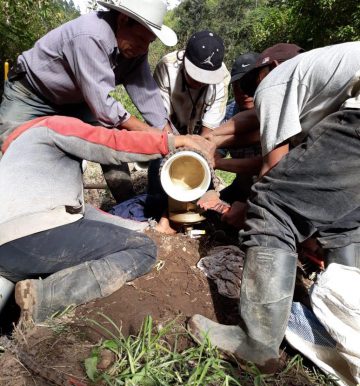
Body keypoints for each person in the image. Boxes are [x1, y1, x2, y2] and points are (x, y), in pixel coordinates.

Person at [189, 41, 360, 373]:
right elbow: (254, 129)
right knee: (345, 223)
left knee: (272, 205)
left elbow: (272, 172)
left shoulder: (275, 82)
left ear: (263, 71)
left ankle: (257, 342)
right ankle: (343, 325)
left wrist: (250, 212)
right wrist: (215, 148)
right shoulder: (315, 81)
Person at [0, 115, 215, 323]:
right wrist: (174, 141)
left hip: (10, 251)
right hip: (32, 237)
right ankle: (44, 298)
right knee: (144, 249)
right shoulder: (51, 126)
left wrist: (143, 227)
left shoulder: (16, 150)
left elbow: (85, 215)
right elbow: (110, 144)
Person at [0, 0, 177, 203]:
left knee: (111, 139)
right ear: (123, 19)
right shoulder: (90, 35)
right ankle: (17, 210)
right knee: (13, 147)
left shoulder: (136, 48)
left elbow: (146, 93)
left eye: (149, 42)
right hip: (32, 94)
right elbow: (104, 106)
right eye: (139, 38)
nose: (143, 47)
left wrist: (167, 133)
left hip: (79, 99)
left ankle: (127, 204)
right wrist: (148, 133)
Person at [146, 30, 230, 234]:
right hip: (171, 124)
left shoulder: (221, 78)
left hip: (199, 127)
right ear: (184, 60)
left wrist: (201, 155)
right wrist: (175, 148)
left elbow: (208, 134)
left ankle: (198, 215)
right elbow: (159, 120)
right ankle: (159, 213)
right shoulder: (167, 68)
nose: (200, 82)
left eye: (205, 79)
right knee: (159, 165)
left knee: (201, 169)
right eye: (196, 76)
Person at [197, 52, 262, 229]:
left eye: (249, 84)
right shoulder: (227, 113)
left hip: (268, 190)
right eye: (237, 85)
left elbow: (261, 164)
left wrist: (217, 163)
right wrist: (210, 190)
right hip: (242, 185)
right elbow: (210, 153)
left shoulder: (273, 110)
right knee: (207, 215)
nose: (244, 91)